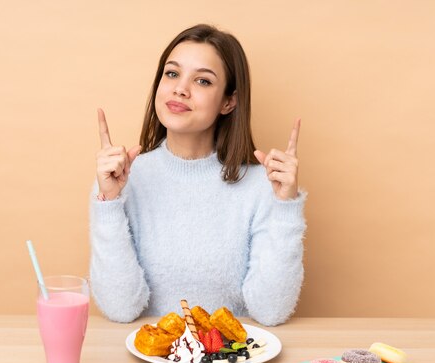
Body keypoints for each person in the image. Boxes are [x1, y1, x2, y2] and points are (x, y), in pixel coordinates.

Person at [90, 24, 306, 326]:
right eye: (172, 73)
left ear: (229, 102)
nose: (181, 88)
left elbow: (272, 311)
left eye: (203, 80)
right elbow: (120, 309)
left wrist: (286, 208)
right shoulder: (121, 180)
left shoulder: (262, 187)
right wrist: (110, 203)